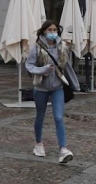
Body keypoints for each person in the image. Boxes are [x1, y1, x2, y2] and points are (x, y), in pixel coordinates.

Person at [25, 20, 80, 164]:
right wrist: (42, 70)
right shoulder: (36, 48)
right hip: (41, 88)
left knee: (59, 117)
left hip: (58, 87)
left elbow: (67, 67)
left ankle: (63, 149)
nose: (52, 32)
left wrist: (75, 84)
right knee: (40, 116)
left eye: (54, 30)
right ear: (44, 31)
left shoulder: (62, 47)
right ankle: (38, 144)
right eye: (49, 30)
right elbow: (29, 65)